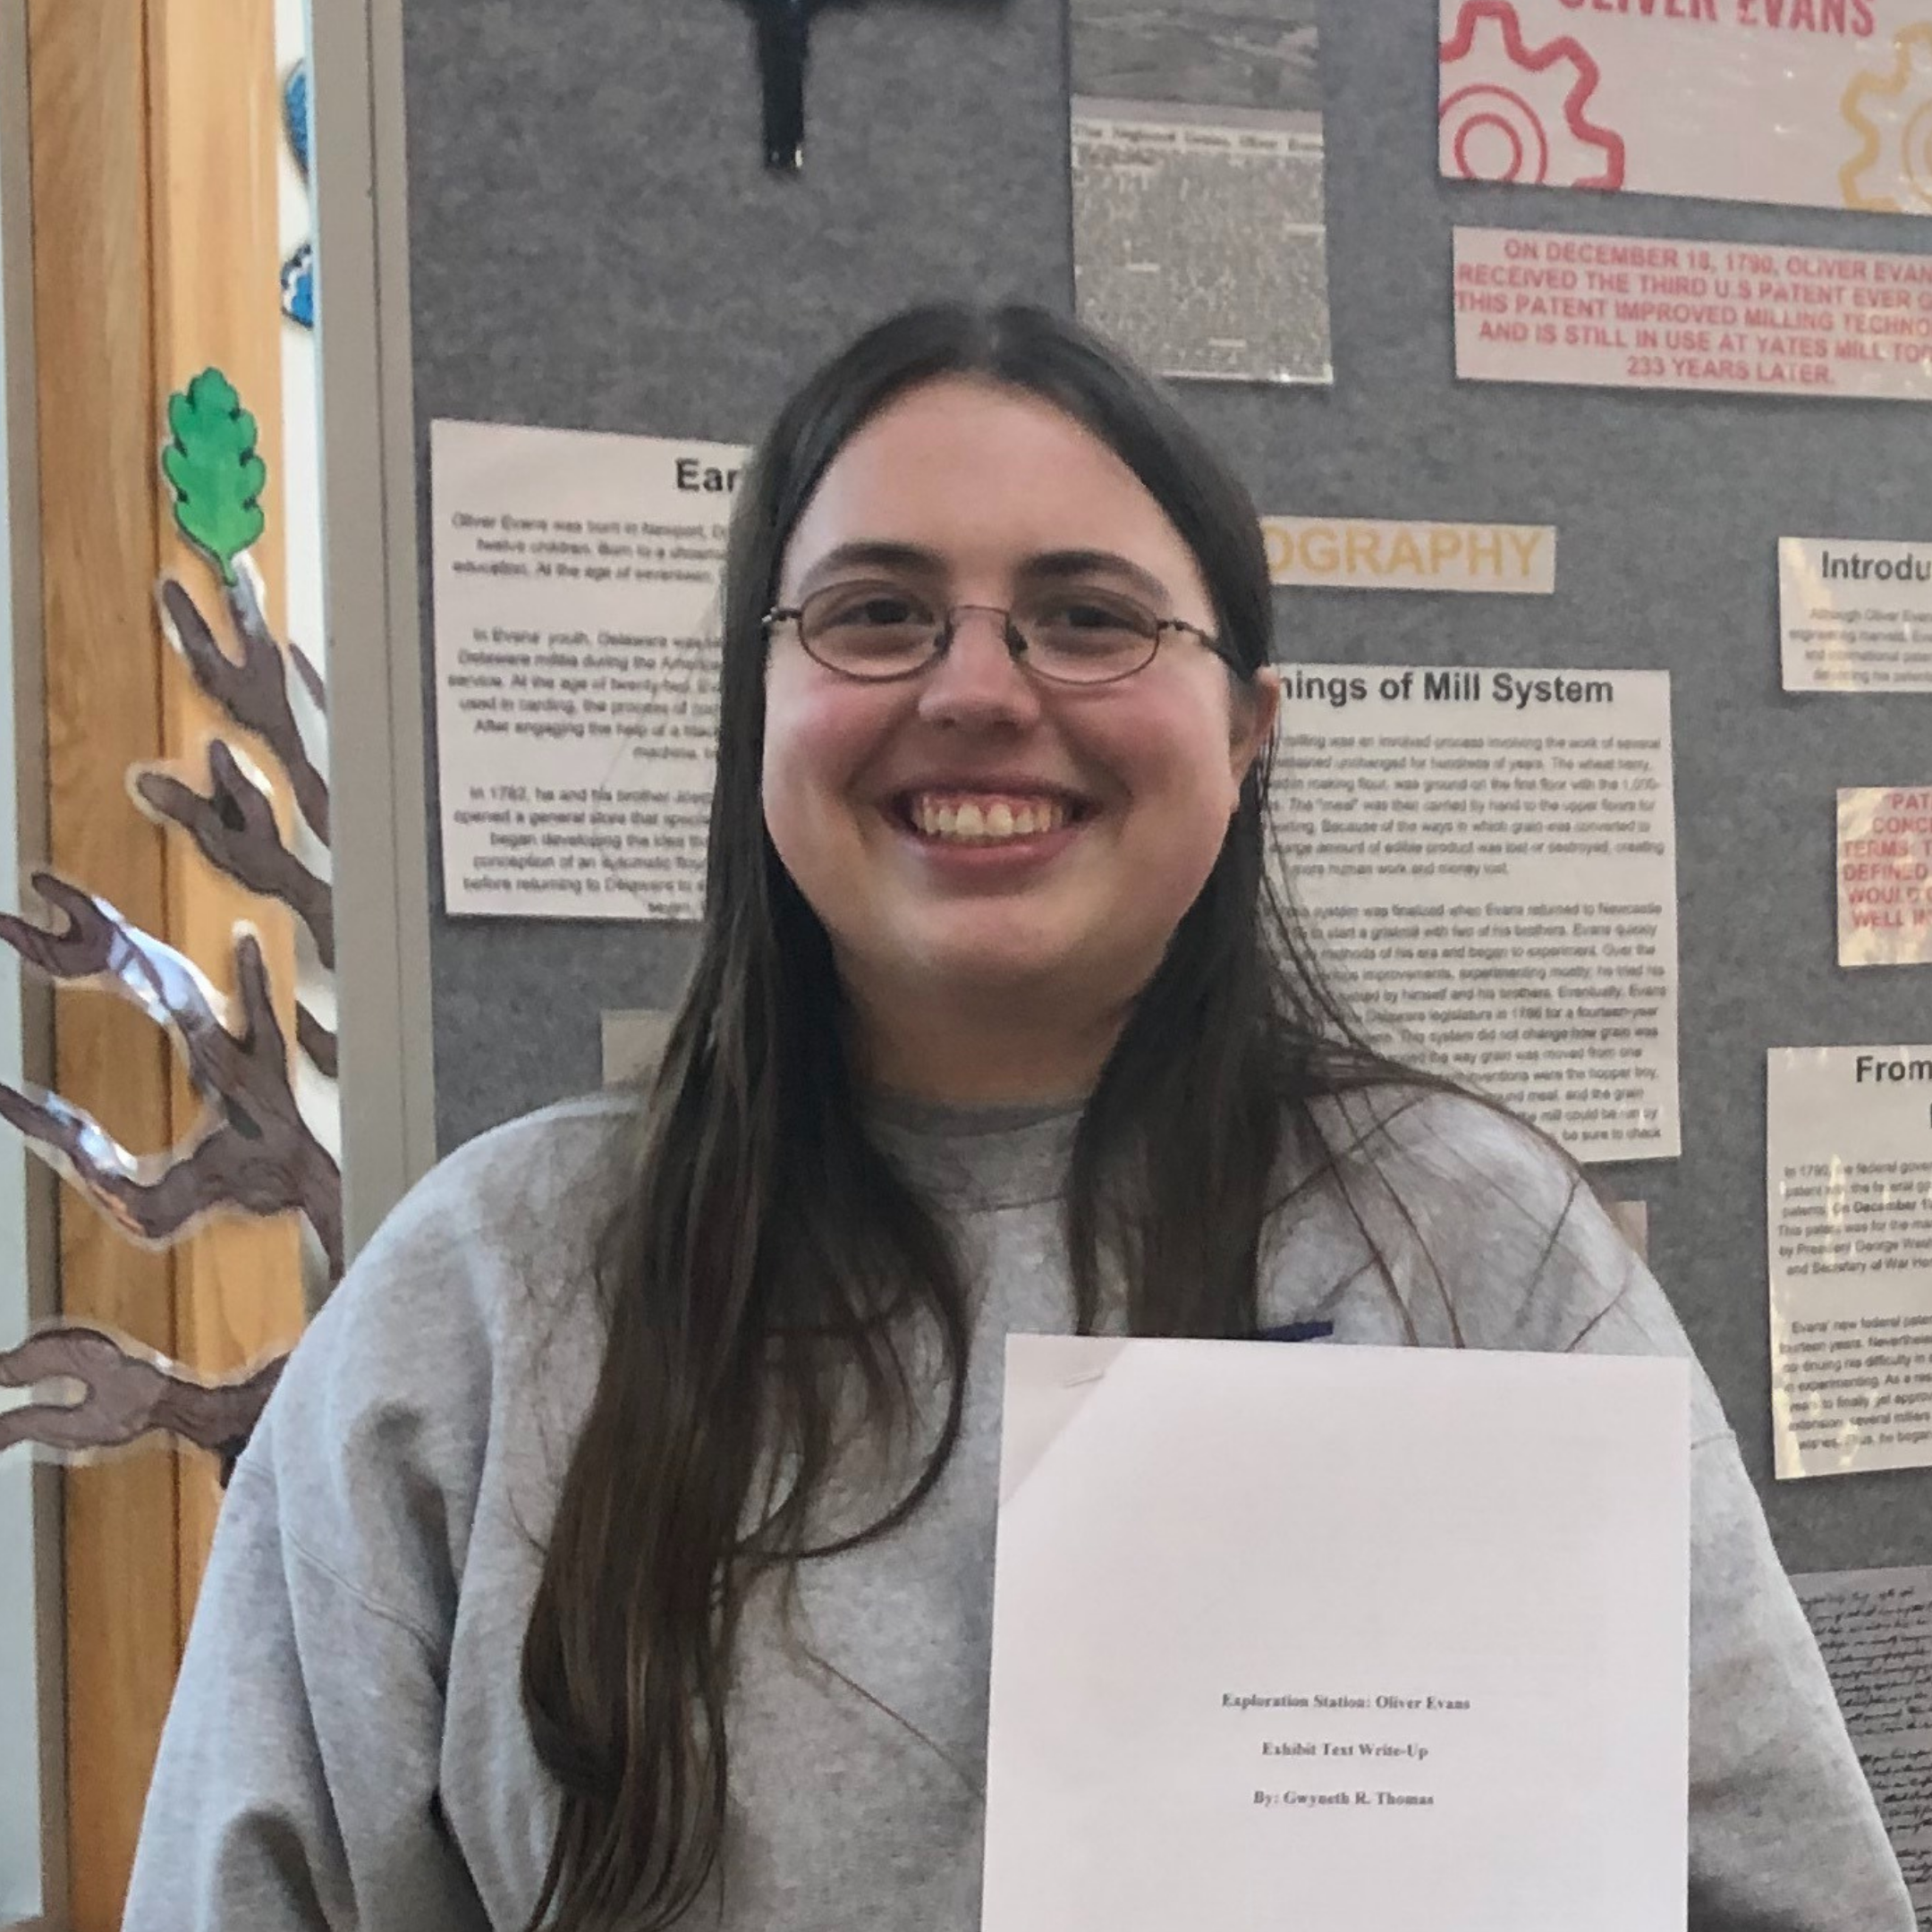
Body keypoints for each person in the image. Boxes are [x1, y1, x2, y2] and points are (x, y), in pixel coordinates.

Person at [124, 303, 1911, 1931]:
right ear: (764, 705)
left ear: (1249, 730)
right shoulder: (487, 1302)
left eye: (1089, 616)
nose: (978, 689)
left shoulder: (1476, 1256)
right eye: (878, 610)